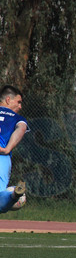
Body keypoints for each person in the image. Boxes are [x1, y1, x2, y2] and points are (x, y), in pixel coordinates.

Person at [0, 85, 28, 213]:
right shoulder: (17, 118)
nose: (20, 106)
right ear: (7, 100)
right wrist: (7, 149)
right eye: (18, 102)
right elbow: (21, 129)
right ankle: (13, 196)